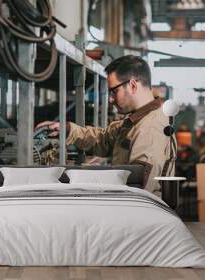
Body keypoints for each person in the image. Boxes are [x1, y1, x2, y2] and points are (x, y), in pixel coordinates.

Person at [35, 55, 175, 195]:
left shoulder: (150, 129)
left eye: (114, 91)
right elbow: (103, 139)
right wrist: (67, 129)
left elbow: (136, 189)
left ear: (132, 85)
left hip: (138, 212)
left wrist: (93, 179)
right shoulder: (137, 120)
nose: (111, 99)